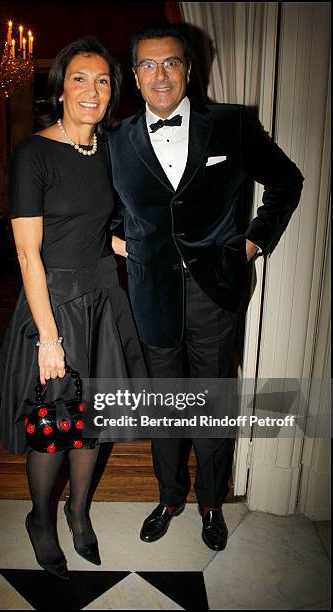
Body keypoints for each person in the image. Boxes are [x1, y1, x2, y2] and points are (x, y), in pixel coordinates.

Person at [108, 21, 304, 552]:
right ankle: (170, 495)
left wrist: (253, 242)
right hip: (152, 295)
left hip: (216, 290)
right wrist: (121, 242)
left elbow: (288, 179)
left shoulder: (232, 125)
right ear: (135, 74)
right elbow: (105, 211)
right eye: (147, 65)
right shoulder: (116, 138)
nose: (160, 75)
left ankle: (211, 501)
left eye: (170, 62)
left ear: (189, 69)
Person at [0, 38, 146, 580]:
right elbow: (28, 254)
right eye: (80, 78)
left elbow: (101, 229)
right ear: (60, 88)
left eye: (102, 81)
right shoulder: (33, 153)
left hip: (103, 300)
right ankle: (41, 519)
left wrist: (132, 247)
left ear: (112, 93)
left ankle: (78, 514)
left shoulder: (112, 149)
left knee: (91, 424)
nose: (92, 90)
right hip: (54, 306)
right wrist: (48, 339)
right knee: (55, 426)